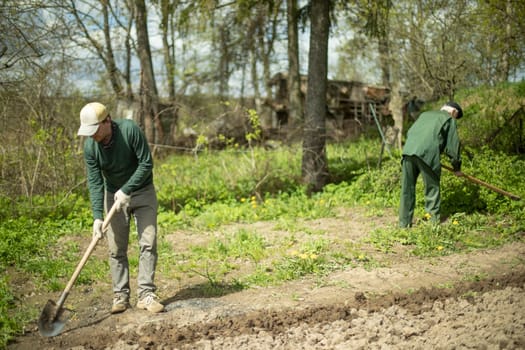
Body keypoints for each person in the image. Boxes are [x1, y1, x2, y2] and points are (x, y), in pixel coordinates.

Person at [77, 102, 164, 313]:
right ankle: (121, 295)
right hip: (113, 195)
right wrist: (98, 216)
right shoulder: (90, 147)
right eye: (89, 132)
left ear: (107, 121)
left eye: (95, 130)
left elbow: (146, 163)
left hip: (142, 191)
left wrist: (127, 189)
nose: (92, 136)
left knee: (148, 242)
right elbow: (95, 182)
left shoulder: (129, 130)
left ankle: (146, 295)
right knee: (116, 248)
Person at [399, 101, 464, 228]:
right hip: (427, 154)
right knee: (432, 189)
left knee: (407, 189)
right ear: (454, 112)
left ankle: (403, 224)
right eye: (456, 116)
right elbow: (453, 147)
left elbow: (411, 132)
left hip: (408, 151)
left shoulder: (424, 115)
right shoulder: (449, 119)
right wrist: (456, 167)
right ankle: (431, 225)